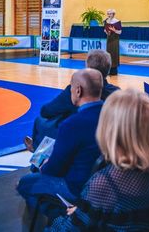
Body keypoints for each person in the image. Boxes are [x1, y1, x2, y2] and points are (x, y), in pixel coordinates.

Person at [48, 89, 149, 231]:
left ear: (109, 131)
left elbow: (69, 229)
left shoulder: (105, 183)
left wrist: (65, 217)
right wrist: (84, 209)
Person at [17, 68, 104, 210]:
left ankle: (61, 216)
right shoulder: (113, 115)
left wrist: (44, 165)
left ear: (78, 91)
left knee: (24, 184)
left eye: (71, 88)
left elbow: (53, 170)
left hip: (76, 188)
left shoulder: (72, 124)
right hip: (104, 184)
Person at [24, 50, 120, 152]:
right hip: (108, 139)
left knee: (41, 121)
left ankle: (37, 148)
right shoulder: (117, 92)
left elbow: (47, 111)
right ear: (108, 69)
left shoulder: (75, 90)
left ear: (87, 67)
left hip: (81, 136)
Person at [104, 9, 122, 75]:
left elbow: (120, 32)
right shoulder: (106, 21)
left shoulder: (117, 21)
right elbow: (105, 30)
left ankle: (114, 70)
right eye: (108, 14)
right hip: (109, 38)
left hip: (115, 39)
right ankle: (109, 69)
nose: (109, 15)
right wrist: (107, 31)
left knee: (114, 53)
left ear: (113, 14)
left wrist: (114, 30)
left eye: (110, 14)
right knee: (108, 53)